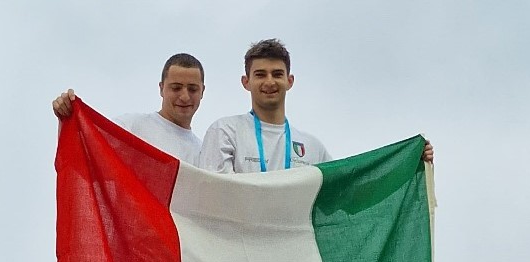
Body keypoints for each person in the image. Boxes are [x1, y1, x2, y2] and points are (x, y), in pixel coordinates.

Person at [198, 38, 433, 173]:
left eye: (277, 74)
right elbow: (215, 193)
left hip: (294, 252)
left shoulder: (312, 147)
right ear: (246, 82)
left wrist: (409, 162)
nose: (269, 81)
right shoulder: (225, 132)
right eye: (260, 74)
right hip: (239, 251)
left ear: (290, 81)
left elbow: (349, 189)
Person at [52, 53, 206, 165]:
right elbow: (81, 157)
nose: (185, 96)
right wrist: (68, 119)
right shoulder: (131, 127)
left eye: (192, 89)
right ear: (161, 88)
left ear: (202, 92)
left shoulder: (203, 155)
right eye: (176, 88)